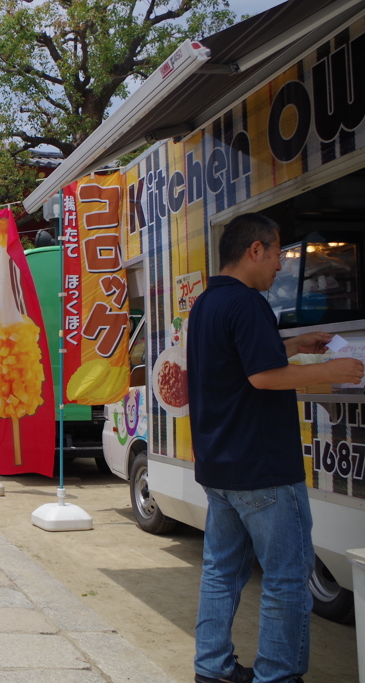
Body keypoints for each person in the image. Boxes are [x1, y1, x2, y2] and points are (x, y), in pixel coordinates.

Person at [187, 213, 364, 683]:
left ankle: (212, 668)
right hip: (264, 466)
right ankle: (279, 675)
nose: (282, 268)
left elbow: (246, 358)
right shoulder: (247, 304)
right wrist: (337, 371)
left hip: (220, 467)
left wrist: (296, 343)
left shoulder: (208, 302)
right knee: (287, 580)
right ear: (255, 250)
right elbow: (262, 376)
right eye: (278, 253)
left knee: (221, 572)